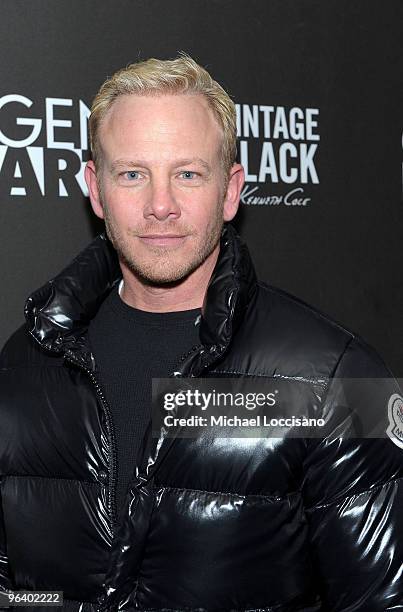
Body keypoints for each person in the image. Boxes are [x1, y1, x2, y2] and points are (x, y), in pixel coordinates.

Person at [0, 53, 402, 612]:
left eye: (187, 174)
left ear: (231, 190)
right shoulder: (23, 362)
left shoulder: (339, 375)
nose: (160, 206)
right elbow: (15, 592)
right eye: (132, 174)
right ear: (95, 187)